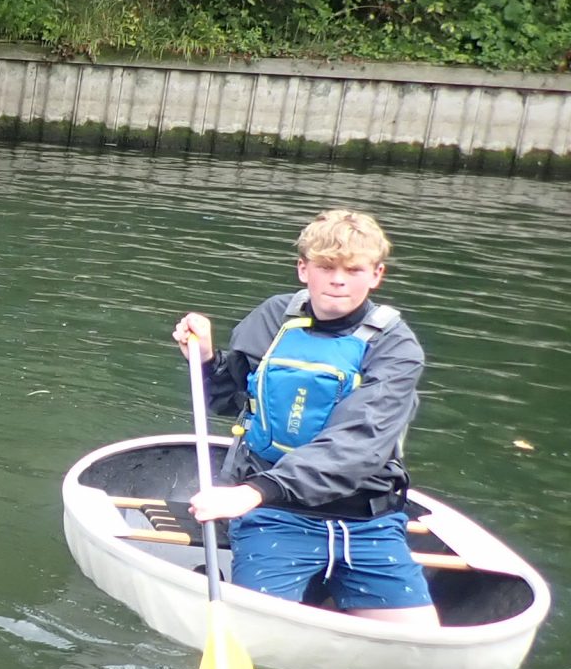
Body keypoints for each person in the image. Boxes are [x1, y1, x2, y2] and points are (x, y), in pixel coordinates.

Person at [170, 208, 436, 626]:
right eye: (326, 266)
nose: (338, 280)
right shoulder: (275, 317)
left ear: (376, 275)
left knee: (419, 646)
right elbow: (230, 397)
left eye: (353, 269)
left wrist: (255, 491)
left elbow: (358, 444)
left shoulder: (396, 348)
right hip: (276, 515)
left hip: (367, 519)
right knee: (260, 633)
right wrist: (204, 359)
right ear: (303, 269)